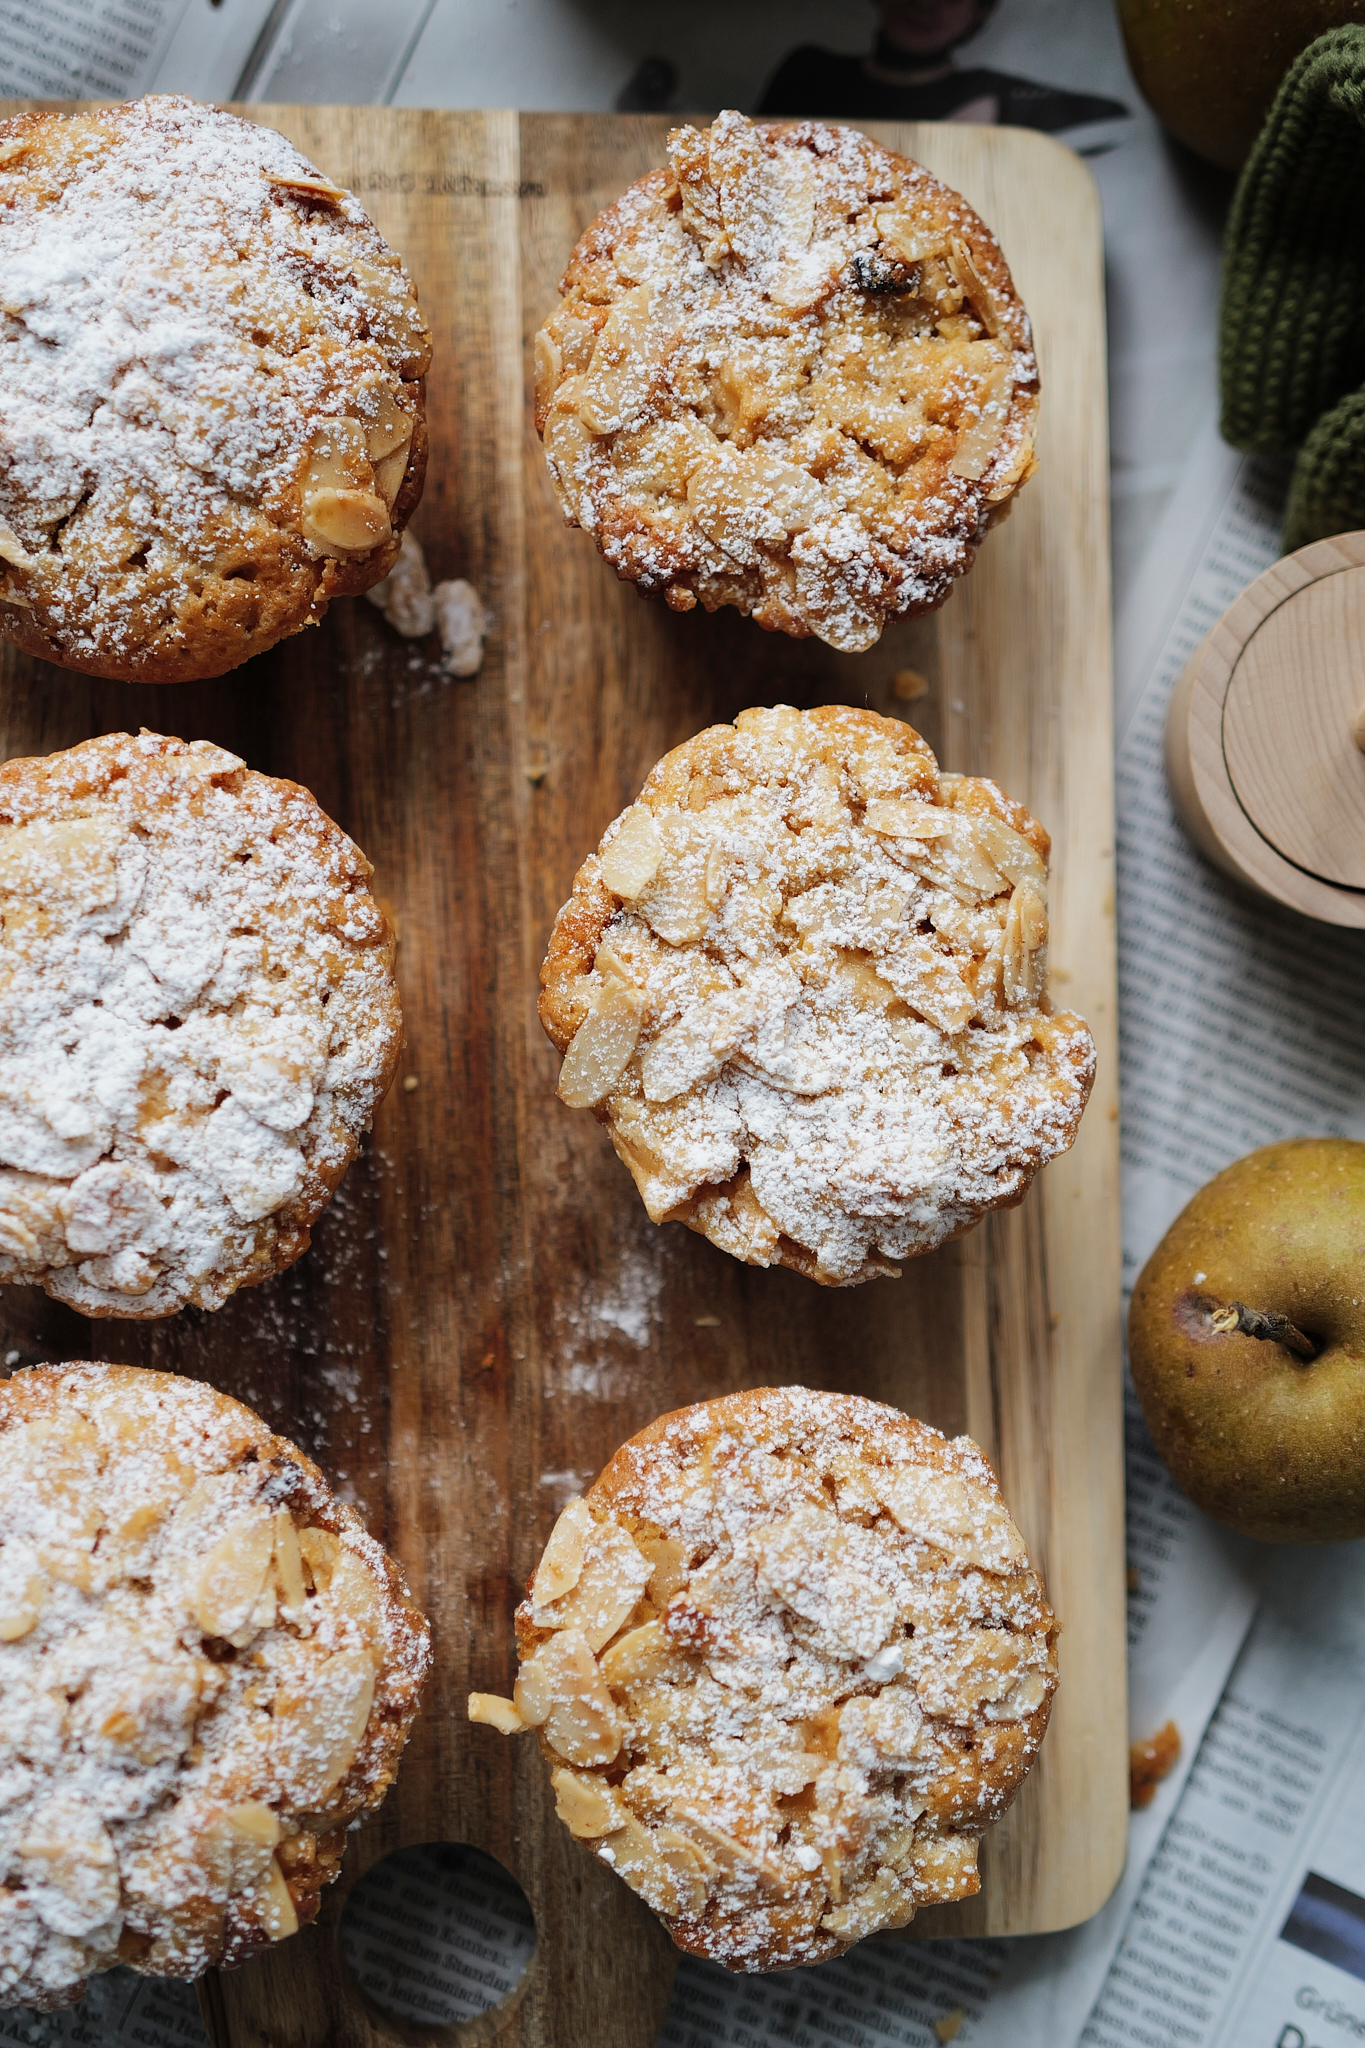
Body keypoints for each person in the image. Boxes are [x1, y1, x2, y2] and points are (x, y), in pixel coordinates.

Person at [758, 0, 1128, 137]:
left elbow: (1113, 115)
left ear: (977, 12)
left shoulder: (997, 95)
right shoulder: (810, 73)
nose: (925, 3)